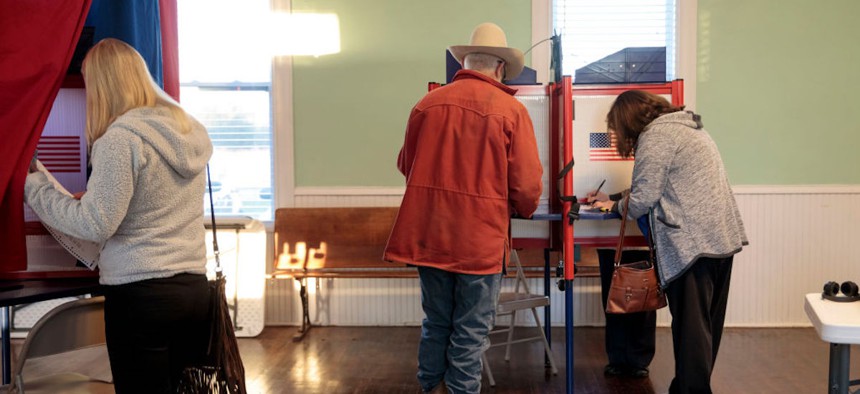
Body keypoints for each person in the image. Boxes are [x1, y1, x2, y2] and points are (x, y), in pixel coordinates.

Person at [24, 38, 213, 393]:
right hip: (193, 291)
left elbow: (95, 224)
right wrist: (94, 198)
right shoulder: (186, 131)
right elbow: (152, 202)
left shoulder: (121, 139)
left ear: (102, 84)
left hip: (142, 294)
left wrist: (35, 188)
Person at [384, 22, 543, 394]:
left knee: (437, 324)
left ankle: (431, 389)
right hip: (479, 242)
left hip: (430, 236)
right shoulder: (510, 110)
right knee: (470, 333)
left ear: (466, 62)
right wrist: (522, 208)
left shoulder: (427, 104)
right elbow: (527, 185)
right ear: (500, 68)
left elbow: (407, 164)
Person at [589, 90, 748, 394]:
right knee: (705, 328)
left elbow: (643, 198)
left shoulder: (656, 136)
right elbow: (658, 183)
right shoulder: (686, 129)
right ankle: (690, 387)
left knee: (691, 331)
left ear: (627, 122)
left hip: (691, 245)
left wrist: (614, 207)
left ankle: (691, 390)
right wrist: (612, 196)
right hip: (719, 240)